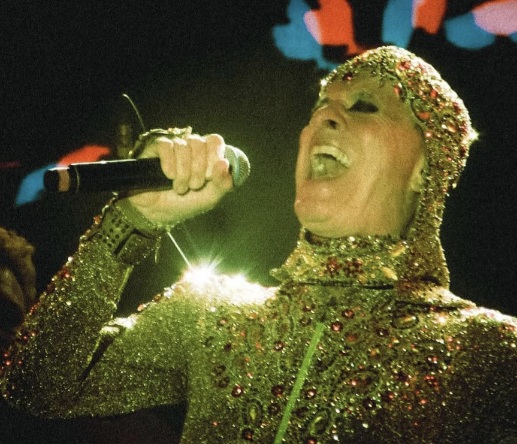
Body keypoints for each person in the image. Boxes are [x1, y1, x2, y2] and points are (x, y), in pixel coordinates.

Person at [1, 46, 516, 443]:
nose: (324, 118)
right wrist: (135, 219)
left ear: (428, 166)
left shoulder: (487, 356)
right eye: (320, 107)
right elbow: (34, 388)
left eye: (364, 106)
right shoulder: (211, 315)